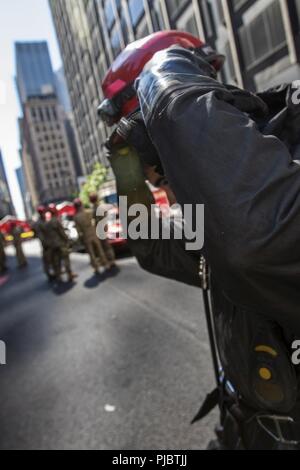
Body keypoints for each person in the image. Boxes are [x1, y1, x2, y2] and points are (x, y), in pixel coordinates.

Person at [98, 31, 300, 450]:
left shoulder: (286, 151)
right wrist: (127, 167)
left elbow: (259, 239)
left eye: (170, 173)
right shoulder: (211, 219)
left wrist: (162, 77)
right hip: (250, 428)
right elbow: (150, 245)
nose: (170, 194)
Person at [73, 198, 111, 274]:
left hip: (86, 236)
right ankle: (105, 264)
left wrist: (81, 239)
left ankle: (96, 268)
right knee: (100, 250)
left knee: (91, 253)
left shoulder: (76, 217)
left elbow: (78, 231)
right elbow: (97, 219)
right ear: (81, 204)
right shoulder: (89, 212)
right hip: (94, 233)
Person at [46, 204, 77, 283]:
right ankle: (69, 275)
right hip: (60, 244)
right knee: (66, 259)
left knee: (57, 261)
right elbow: (62, 233)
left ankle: (59, 276)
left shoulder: (48, 223)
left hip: (53, 245)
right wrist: (67, 240)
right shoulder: (56, 221)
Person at [89, 193, 116, 267]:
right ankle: (110, 260)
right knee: (105, 244)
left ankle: (109, 261)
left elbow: (94, 220)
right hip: (103, 227)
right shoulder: (100, 206)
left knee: (104, 245)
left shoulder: (94, 208)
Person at [33, 205, 54, 281]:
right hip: (46, 245)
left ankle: (54, 273)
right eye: (42, 212)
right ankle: (49, 274)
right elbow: (40, 235)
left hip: (50, 243)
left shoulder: (45, 220)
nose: (43, 213)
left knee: (52, 259)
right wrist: (45, 243)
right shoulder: (38, 223)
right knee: (47, 260)